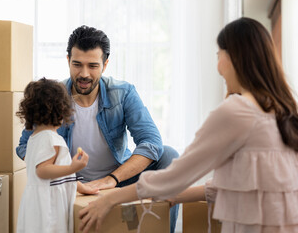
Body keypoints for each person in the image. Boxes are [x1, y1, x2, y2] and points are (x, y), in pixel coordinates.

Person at [78, 17, 298, 233]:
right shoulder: (283, 110)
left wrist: (111, 198)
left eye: (218, 55)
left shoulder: (237, 111)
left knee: (167, 153)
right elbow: (242, 185)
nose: (218, 66)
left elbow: (176, 175)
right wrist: (175, 196)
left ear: (233, 58)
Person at [16, 25, 180, 233]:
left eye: (93, 66)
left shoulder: (123, 93)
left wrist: (111, 179)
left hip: (118, 178)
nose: (84, 74)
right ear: (68, 61)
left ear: (105, 64)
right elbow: (24, 146)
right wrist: (65, 173)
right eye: (77, 64)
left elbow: (151, 142)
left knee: (170, 156)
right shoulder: (52, 97)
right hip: (72, 180)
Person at [16, 78, 98, 233]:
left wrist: (82, 187)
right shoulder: (50, 138)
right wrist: (73, 167)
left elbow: (58, 175)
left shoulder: (35, 138)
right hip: (48, 204)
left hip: (36, 201)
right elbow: (43, 170)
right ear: (61, 110)